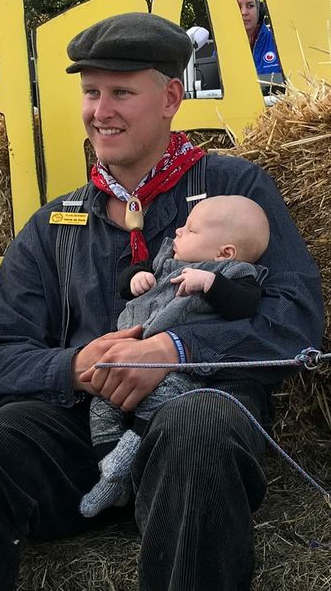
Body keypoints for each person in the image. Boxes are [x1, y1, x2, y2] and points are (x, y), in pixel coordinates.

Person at [0, 12, 324, 591]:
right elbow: (4, 357)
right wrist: (74, 368)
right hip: (80, 430)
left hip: (195, 413)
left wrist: (174, 348)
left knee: (197, 420)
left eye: (121, 92)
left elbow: (296, 319)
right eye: (91, 92)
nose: (100, 110)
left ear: (170, 97)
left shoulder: (237, 188)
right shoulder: (53, 224)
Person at [80, 195, 271, 518]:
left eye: (191, 229)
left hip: (179, 374)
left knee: (164, 403)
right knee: (101, 406)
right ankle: (110, 469)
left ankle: (124, 464)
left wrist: (210, 283)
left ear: (224, 252)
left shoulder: (234, 273)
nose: (179, 231)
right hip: (129, 355)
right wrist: (134, 279)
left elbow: (244, 305)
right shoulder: (166, 259)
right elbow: (127, 280)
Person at [235, 0, 284, 78]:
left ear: (259, 10)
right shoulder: (222, 48)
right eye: (238, 6)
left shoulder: (278, 42)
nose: (244, 12)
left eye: (250, 6)